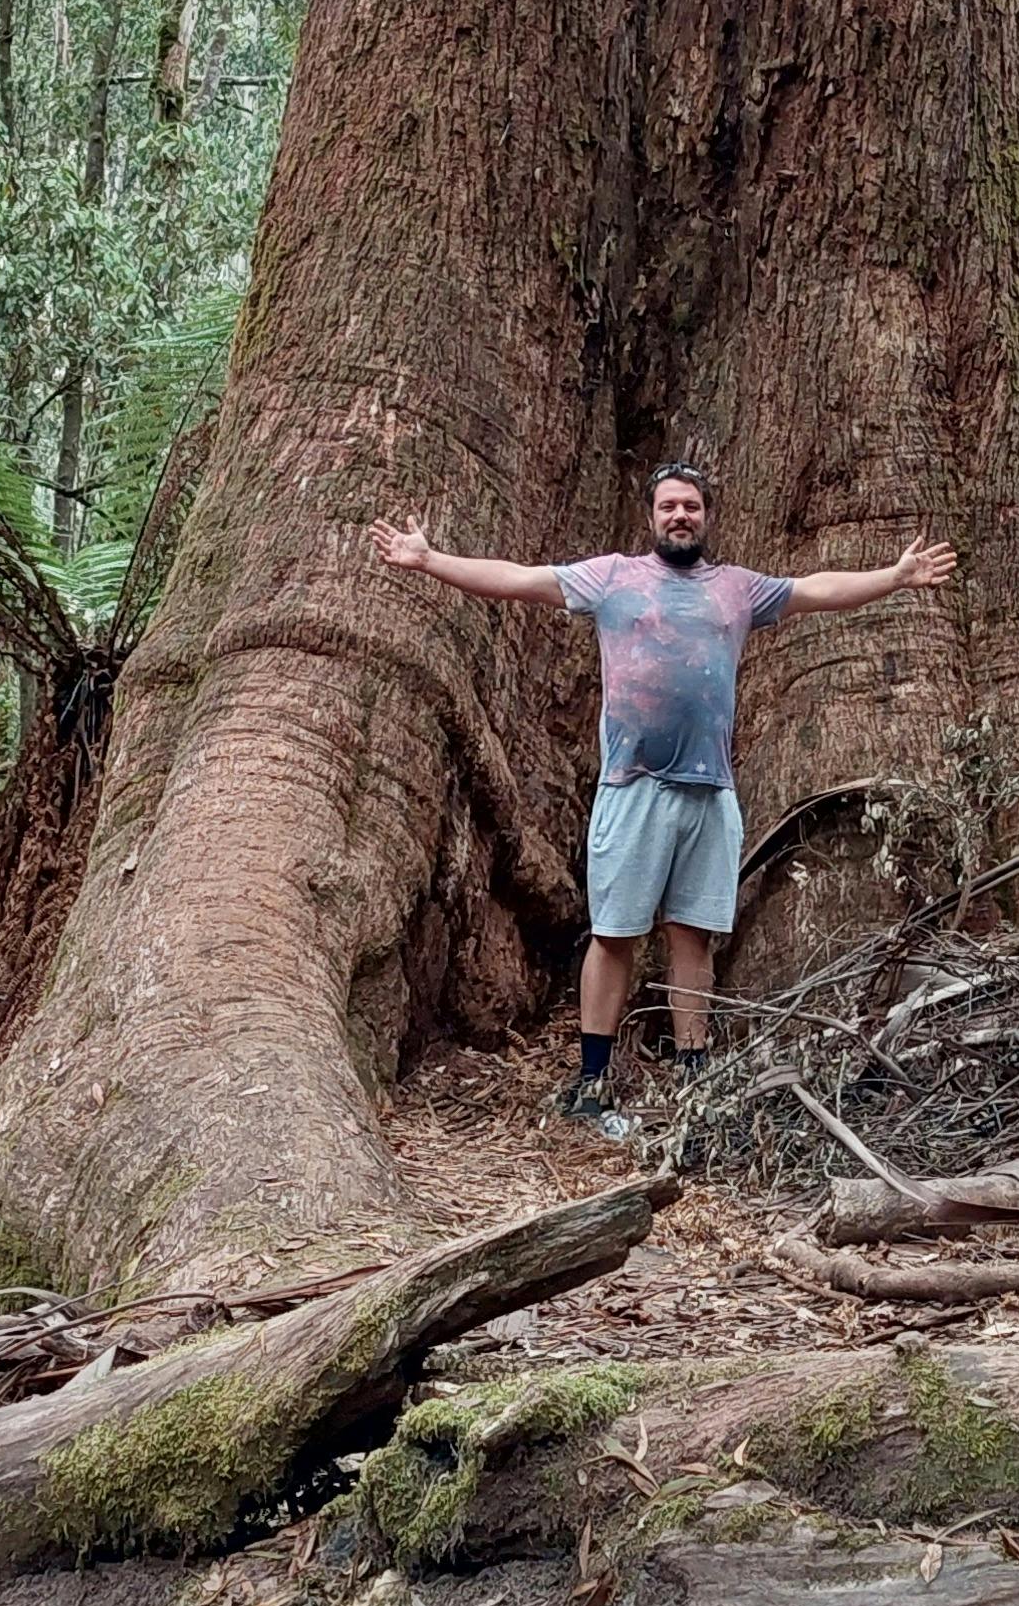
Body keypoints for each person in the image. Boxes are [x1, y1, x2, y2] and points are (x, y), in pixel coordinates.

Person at [374, 465, 957, 1132]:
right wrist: (428, 561)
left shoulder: (738, 589)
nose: (680, 516)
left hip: (710, 794)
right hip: (634, 788)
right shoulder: (612, 578)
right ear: (651, 516)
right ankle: (592, 1080)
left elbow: (817, 590)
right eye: (668, 506)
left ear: (707, 516)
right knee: (615, 934)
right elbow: (520, 579)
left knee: (693, 938)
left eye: (691, 506)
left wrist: (894, 576)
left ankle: (692, 1077)